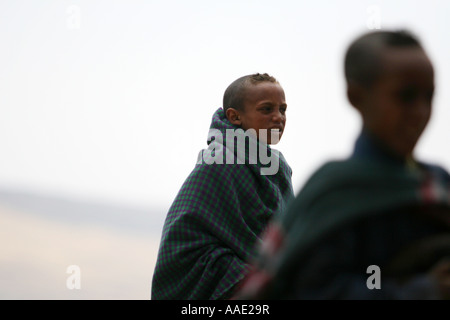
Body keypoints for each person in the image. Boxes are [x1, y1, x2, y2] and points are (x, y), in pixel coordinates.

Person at [233, 30, 450, 300]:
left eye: (428, 96)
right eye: (405, 96)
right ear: (356, 97)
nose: (419, 111)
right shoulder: (334, 191)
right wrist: (423, 291)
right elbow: (314, 290)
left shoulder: (436, 183)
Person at [151, 73, 294, 300]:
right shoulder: (218, 163)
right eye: (266, 109)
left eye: (283, 109)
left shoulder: (277, 168)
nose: (278, 117)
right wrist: (251, 279)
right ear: (235, 116)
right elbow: (182, 247)